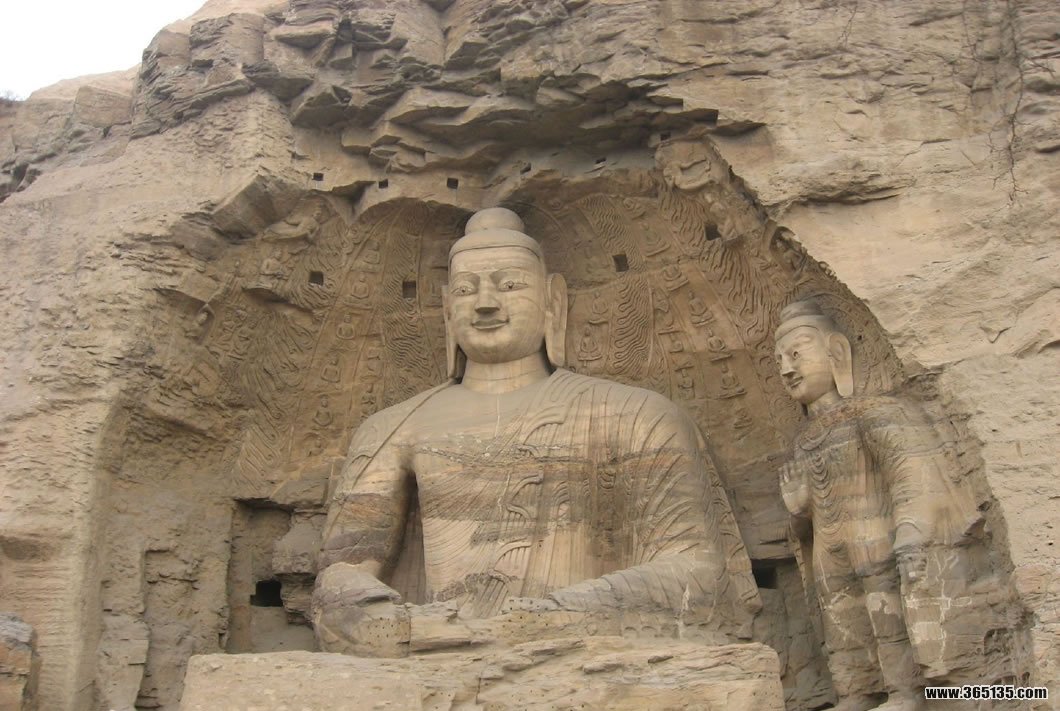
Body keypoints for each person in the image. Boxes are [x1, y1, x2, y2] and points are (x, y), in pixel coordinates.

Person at [311, 208, 760, 656]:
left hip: (584, 653)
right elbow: (340, 577)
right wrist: (388, 620)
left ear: (552, 300)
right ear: (447, 309)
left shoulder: (636, 414)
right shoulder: (393, 428)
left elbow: (697, 574)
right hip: (437, 649)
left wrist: (548, 616)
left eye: (509, 285)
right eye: (466, 290)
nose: (485, 304)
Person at [774, 299, 981, 711]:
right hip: (830, 554)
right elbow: (802, 526)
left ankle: (907, 693)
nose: (786, 369)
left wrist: (911, 532)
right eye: (778, 361)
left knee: (889, 620)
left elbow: (910, 474)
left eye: (796, 354)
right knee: (842, 628)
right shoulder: (802, 440)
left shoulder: (873, 412)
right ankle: (855, 693)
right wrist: (799, 511)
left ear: (836, 352)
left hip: (875, 537)